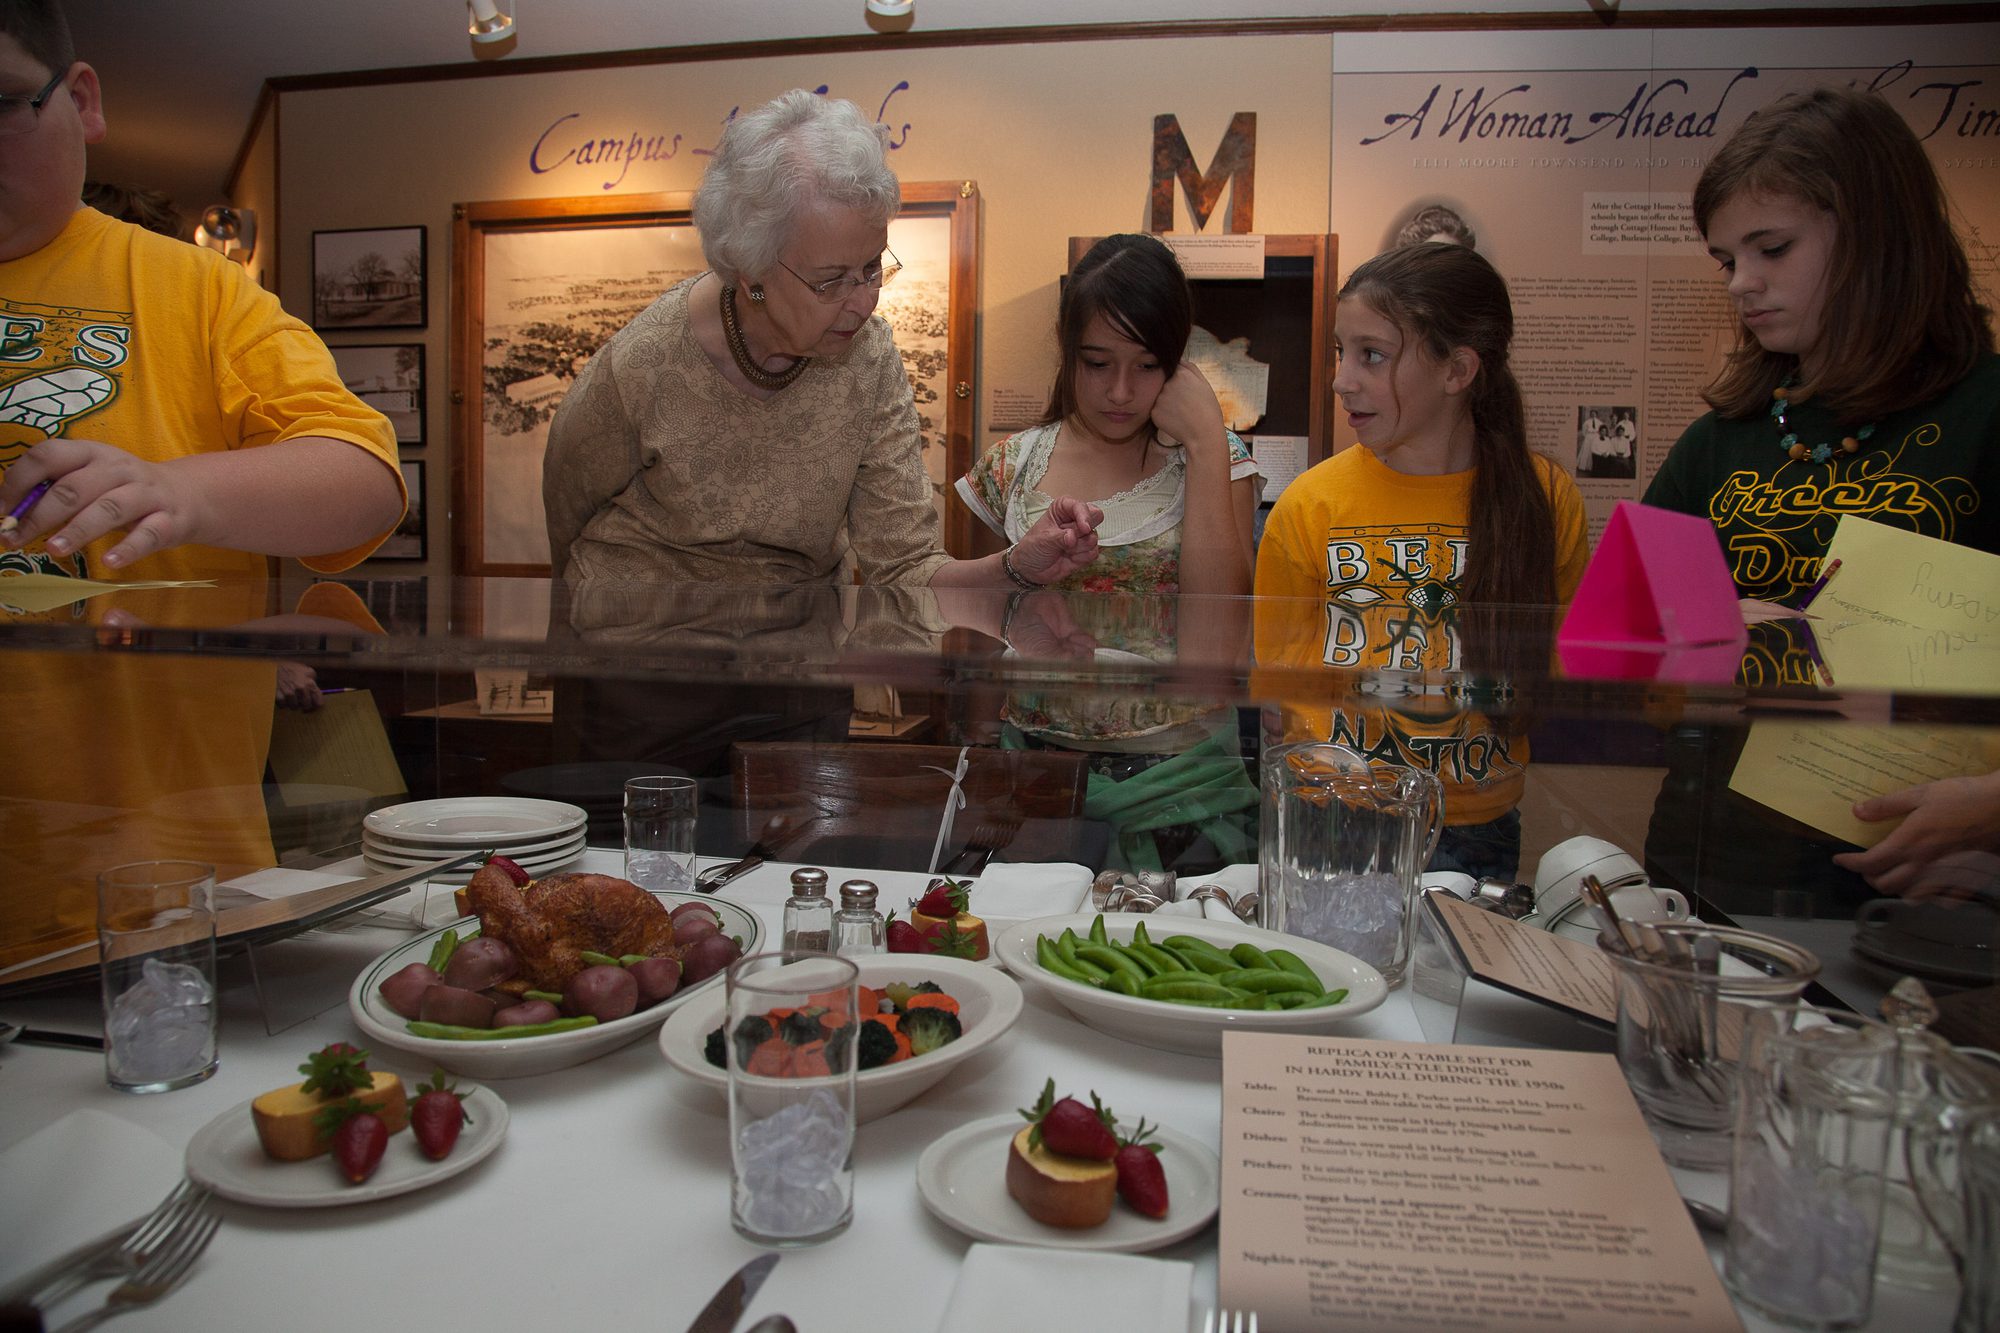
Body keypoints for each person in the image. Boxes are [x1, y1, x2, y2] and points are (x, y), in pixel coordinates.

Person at [0, 0, 406, 971]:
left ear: (82, 99)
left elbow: (365, 474)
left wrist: (179, 491)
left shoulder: (194, 290)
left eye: (2, 105)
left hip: (166, 898)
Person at [1643, 85, 2000, 911]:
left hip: (1923, 890)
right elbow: (1618, 642)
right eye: (1728, 260)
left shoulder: (1985, 414)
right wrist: (1719, 639)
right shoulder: (1719, 438)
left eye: (1772, 248)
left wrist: (1990, 808)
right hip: (1712, 874)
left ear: (1876, 234)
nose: (1742, 283)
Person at [542, 89, 1099, 594]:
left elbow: (903, 565)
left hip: (796, 675)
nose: (862, 302)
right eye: (830, 280)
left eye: (873, 267)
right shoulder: (642, 364)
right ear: (750, 270)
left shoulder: (869, 358)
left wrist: (1016, 566)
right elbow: (567, 517)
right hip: (638, 669)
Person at [1256, 242, 1588, 881]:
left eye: (1372, 355)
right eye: (1340, 351)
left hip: (1477, 817)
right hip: (1338, 810)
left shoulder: (1544, 499)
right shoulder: (1311, 503)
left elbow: (1560, 666)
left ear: (1457, 369)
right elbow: (1279, 685)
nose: (1341, 379)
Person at [955, 233, 1263, 871]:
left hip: (1182, 793)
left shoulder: (1219, 462)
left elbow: (1216, 649)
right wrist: (982, 750)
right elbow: (981, 633)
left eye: (1147, 365)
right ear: (1067, 356)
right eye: (1098, 363)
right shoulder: (1013, 465)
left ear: (1179, 362)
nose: (1121, 391)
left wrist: (1206, 442)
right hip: (1035, 786)